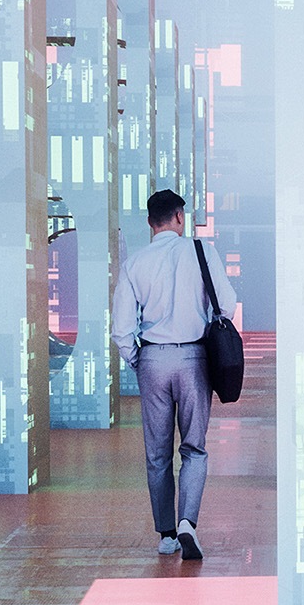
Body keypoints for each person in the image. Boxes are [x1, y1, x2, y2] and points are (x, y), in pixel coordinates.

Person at [110, 188, 237, 561]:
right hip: (195, 358)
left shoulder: (135, 263)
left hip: (152, 359)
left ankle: (166, 535)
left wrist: (138, 360)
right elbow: (227, 303)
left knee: (157, 454)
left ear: (150, 223)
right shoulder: (201, 251)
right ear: (180, 217)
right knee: (194, 448)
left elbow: (120, 328)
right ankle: (187, 523)